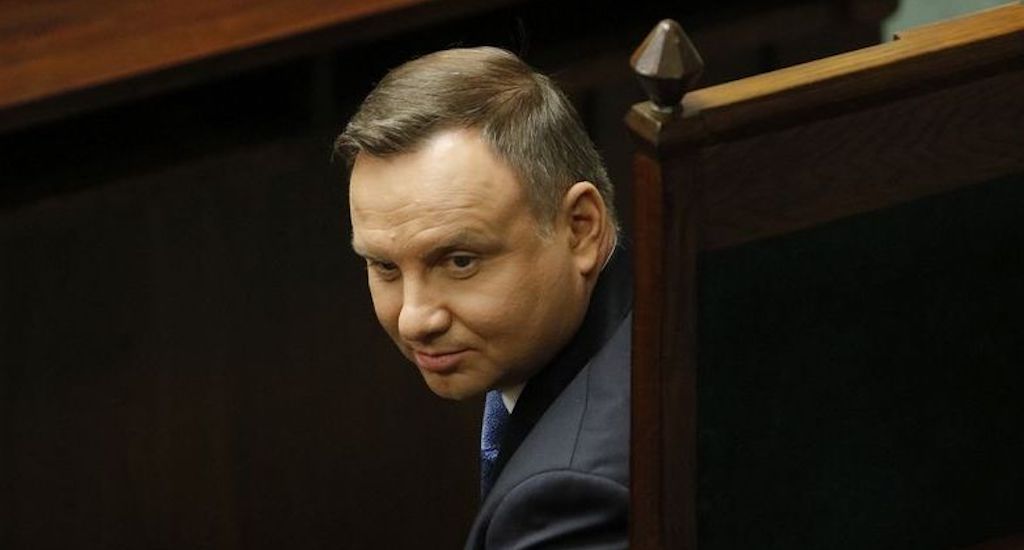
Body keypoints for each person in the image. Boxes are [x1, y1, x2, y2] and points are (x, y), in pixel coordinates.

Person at [335, 46, 631, 549]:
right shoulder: (654, 295)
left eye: (459, 262)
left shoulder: (572, 498)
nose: (414, 320)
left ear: (580, 228)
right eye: (385, 267)